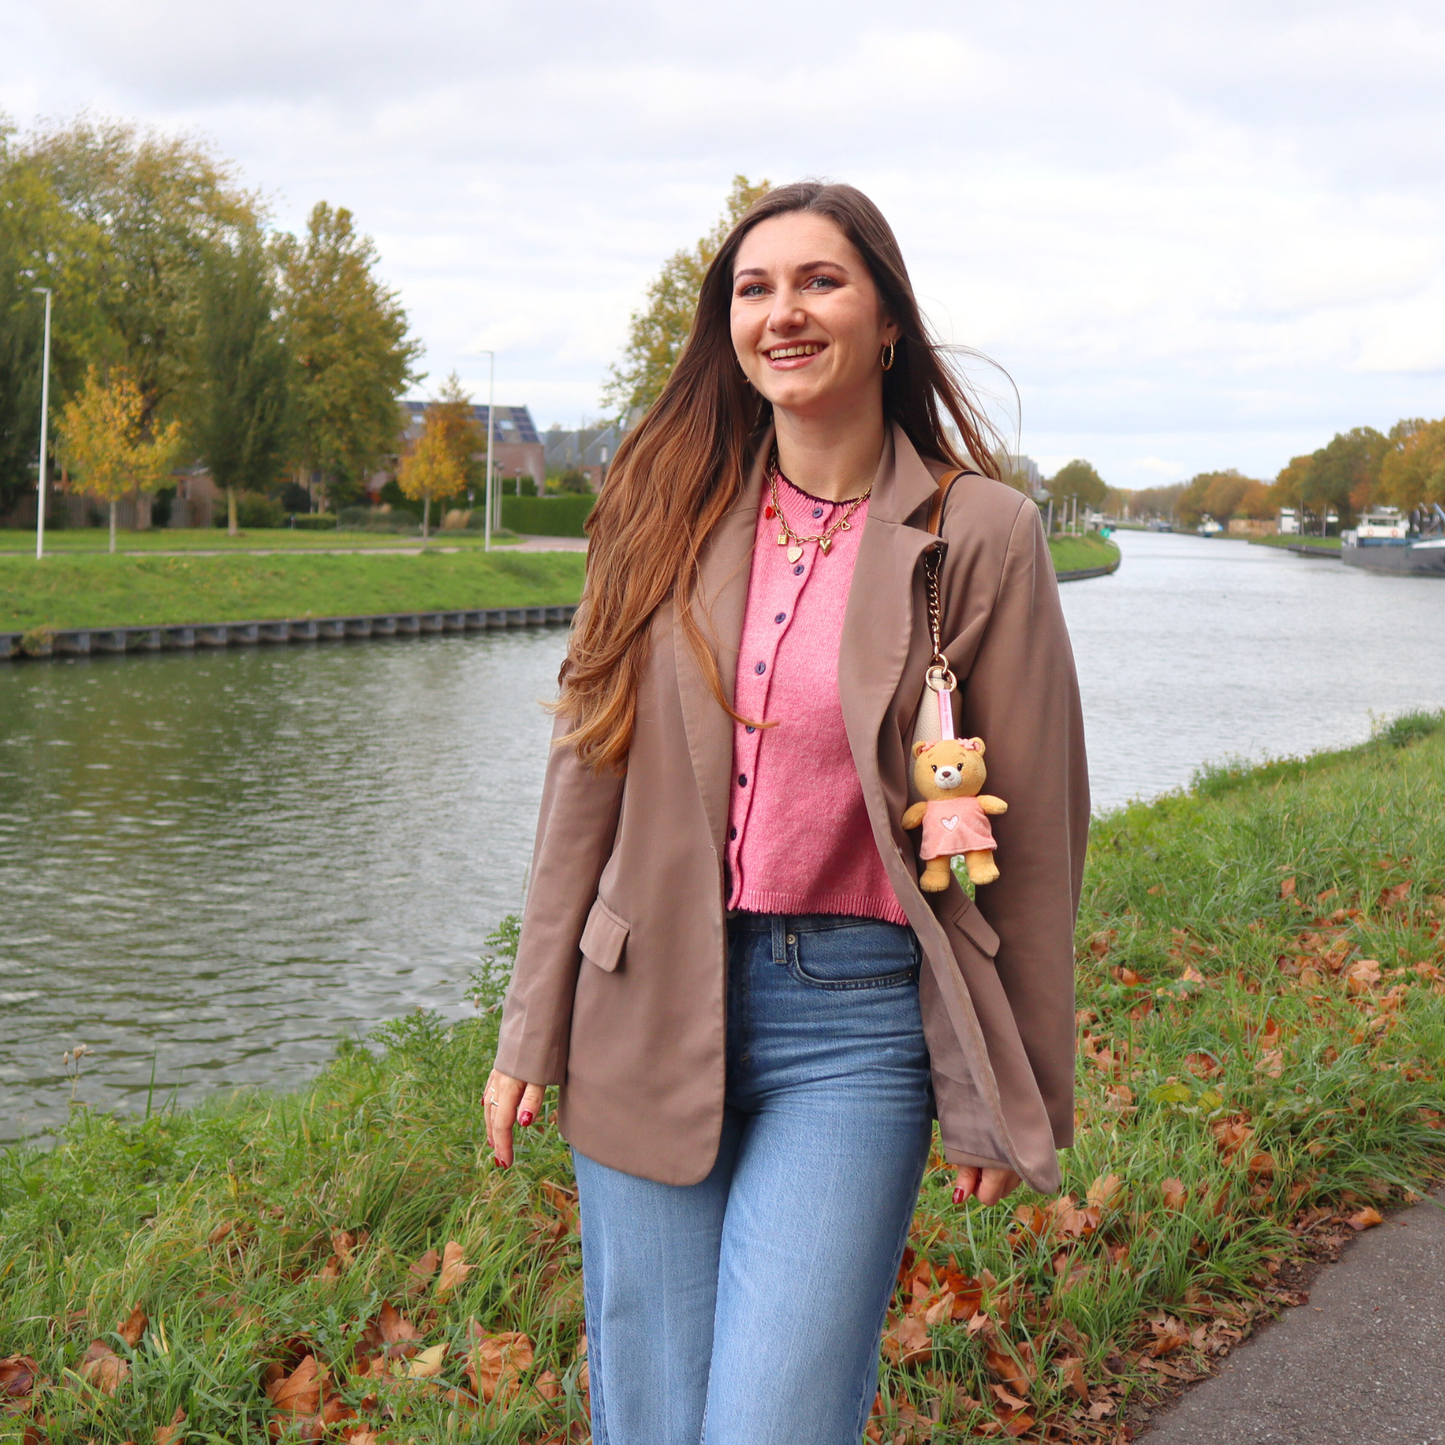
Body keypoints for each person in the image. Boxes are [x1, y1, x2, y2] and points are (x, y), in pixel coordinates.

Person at [485, 181, 1088, 1445]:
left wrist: (1004, 1084)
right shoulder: (658, 508)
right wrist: (528, 1026)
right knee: (646, 1413)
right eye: (753, 289)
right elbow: (581, 779)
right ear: (728, 330)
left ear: (884, 322)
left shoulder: (978, 535)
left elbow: (1030, 847)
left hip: (854, 1028)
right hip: (644, 997)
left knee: (772, 1422)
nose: (782, 312)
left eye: (819, 281)